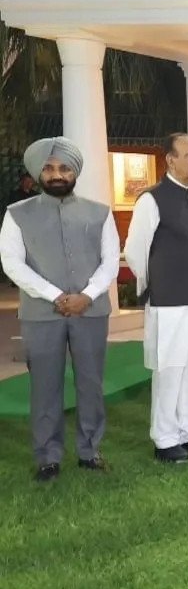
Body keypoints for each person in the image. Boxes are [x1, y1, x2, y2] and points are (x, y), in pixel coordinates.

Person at [1, 137, 117, 479]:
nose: (56, 174)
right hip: (41, 314)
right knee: (45, 385)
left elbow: (110, 261)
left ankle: (89, 451)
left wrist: (87, 295)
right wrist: (55, 296)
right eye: (49, 168)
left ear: (74, 172)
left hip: (90, 310)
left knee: (90, 383)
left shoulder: (100, 212)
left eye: (64, 168)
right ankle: (47, 457)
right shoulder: (16, 214)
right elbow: (12, 263)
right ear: (39, 173)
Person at [125, 133, 188, 461]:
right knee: (170, 368)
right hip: (169, 300)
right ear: (170, 160)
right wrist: (157, 286)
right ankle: (165, 439)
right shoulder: (151, 199)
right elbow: (135, 251)